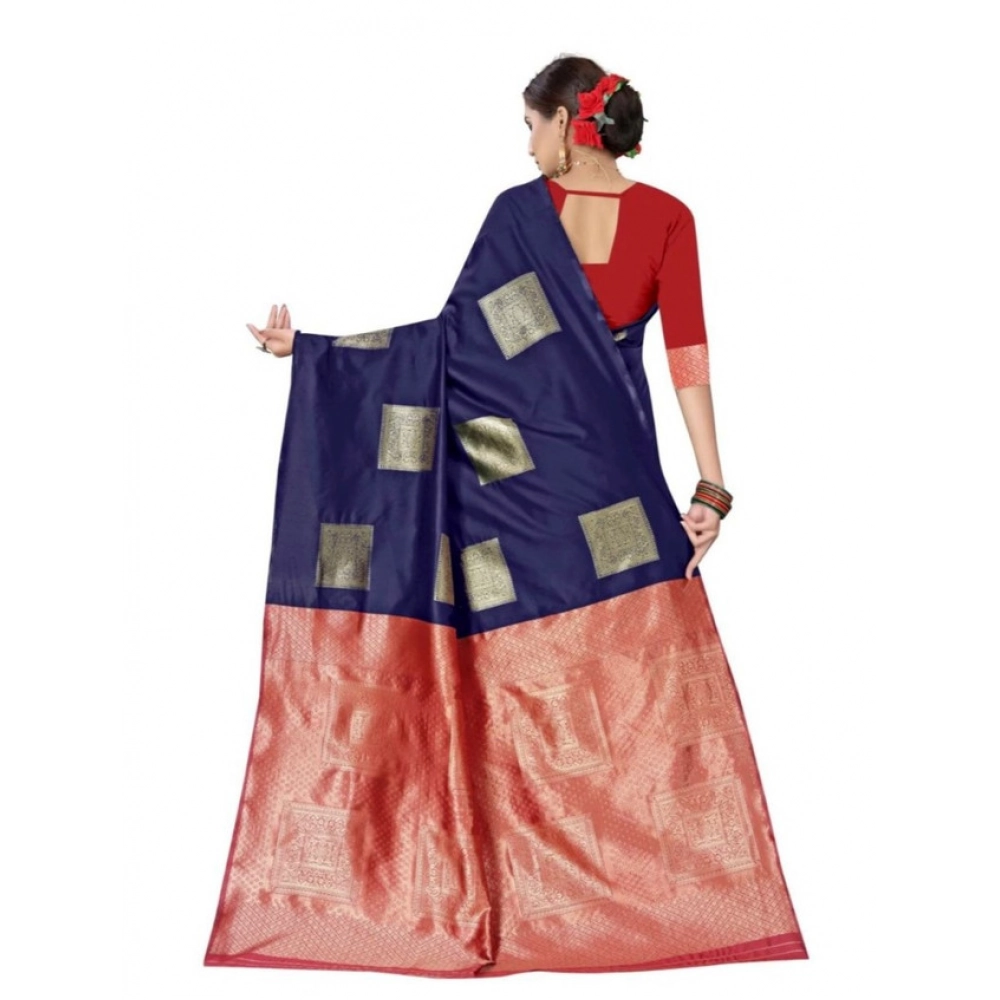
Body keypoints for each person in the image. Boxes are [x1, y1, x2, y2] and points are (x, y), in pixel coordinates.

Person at [207, 55, 807, 978]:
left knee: (519, 676)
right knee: (626, 684)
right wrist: (709, 489)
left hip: (523, 482)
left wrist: (321, 357)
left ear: (569, 123)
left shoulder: (533, 213)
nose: (527, 146)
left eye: (531, 126)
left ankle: (546, 894)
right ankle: (619, 896)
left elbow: (449, 352)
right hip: (608, 483)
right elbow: (685, 357)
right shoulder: (656, 217)